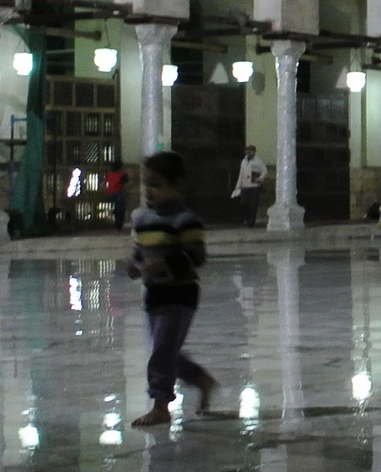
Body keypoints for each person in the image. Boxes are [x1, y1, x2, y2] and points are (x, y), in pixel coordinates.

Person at [127, 151, 220, 427]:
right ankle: (202, 380)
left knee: (162, 352)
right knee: (166, 352)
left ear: (176, 184)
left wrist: (165, 265)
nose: (149, 191)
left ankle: (160, 406)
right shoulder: (142, 218)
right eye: (146, 184)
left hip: (180, 295)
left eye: (156, 185)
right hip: (154, 295)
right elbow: (139, 250)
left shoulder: (185, 220)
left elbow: (197, 256)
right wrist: (134, 264)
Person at [231, 145, 267, 228]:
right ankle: (246, 219)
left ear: (254, 152)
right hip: (245, 186)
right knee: (244, 204)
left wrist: (259, 179)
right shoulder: (244, 161)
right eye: (247, 150)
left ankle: (251, 222)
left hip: (254, 187)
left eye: (250, 151)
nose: (248, 152)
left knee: (252, 205)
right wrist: (238, 186)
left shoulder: (258, 161)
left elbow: (265, 171)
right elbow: (241, 174)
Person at [107, 162, 128, 229]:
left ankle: (116, 225)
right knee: (120, 210)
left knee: (116, 209)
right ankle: (118, 226)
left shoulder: (109, 175)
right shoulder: (121, 175)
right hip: (118, 194)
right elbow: (125, 183)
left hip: (110, 193)